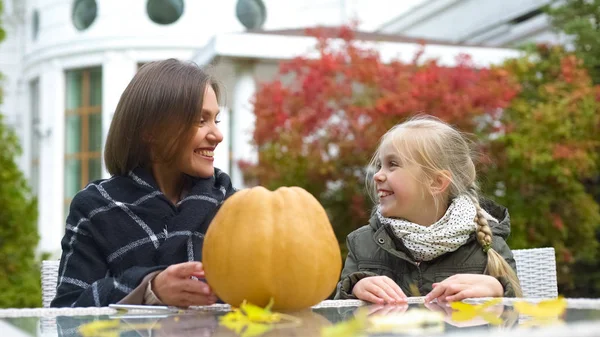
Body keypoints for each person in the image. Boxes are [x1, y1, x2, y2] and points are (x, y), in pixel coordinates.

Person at [51, 59, 236, 307]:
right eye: (200, 121)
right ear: (151, 130)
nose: (217, 135)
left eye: (216, 120)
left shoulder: (233, 205)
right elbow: (66, 314)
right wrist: (149, 288)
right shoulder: (95, 207)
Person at [334, 116, 522, 304]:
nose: (377, 175)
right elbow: (335, 316)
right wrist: (355, 288)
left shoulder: (486, 244)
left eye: (393, 164)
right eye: (379, 165)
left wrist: (498, 290)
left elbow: (518, 321)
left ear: (436, 182)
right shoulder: (362, 243)